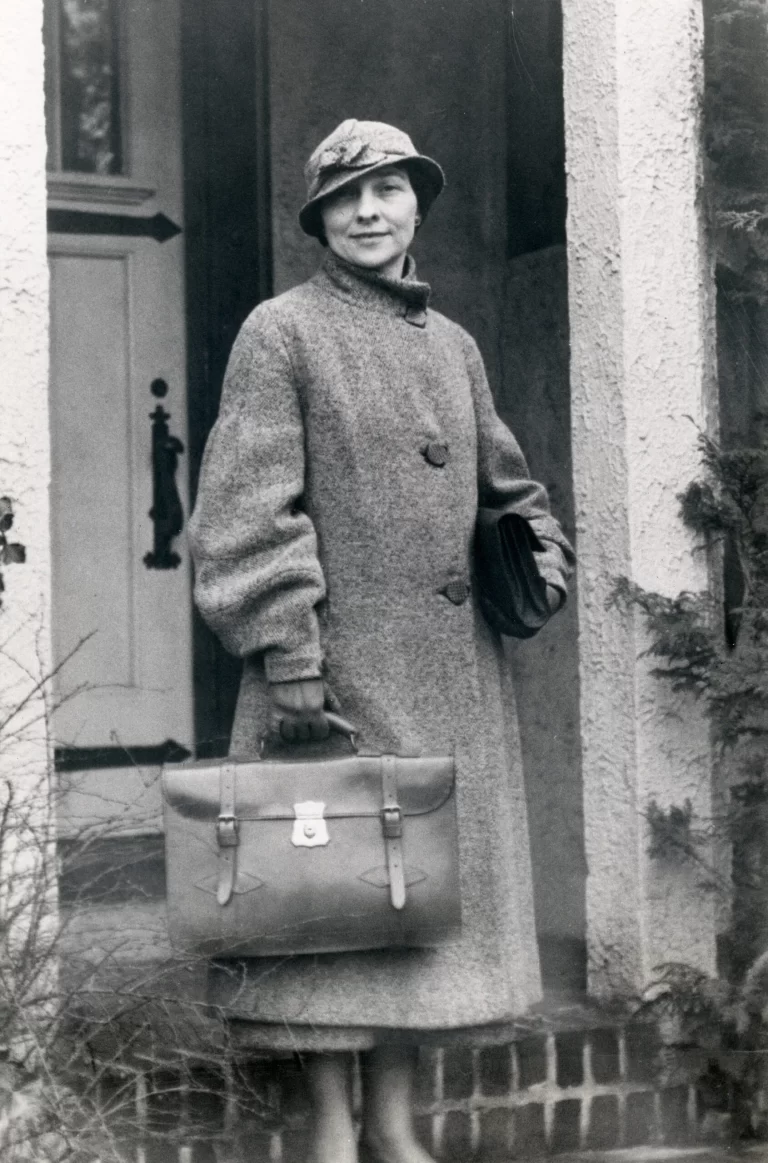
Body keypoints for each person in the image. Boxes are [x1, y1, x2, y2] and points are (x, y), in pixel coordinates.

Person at [188, 119, 574, 1163]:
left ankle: (396, 1122)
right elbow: (244, 507)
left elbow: (510, 484)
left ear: (417, 206)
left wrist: (537, 550)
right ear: (319, 221)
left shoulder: (454, 347)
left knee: (414, 898)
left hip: (450, 673)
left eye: (388, 190)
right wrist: (289, 650)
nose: (368, 211)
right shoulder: (283, 332)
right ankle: (327, 1123)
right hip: (332, 668)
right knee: (334, 900)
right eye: (345, 198)